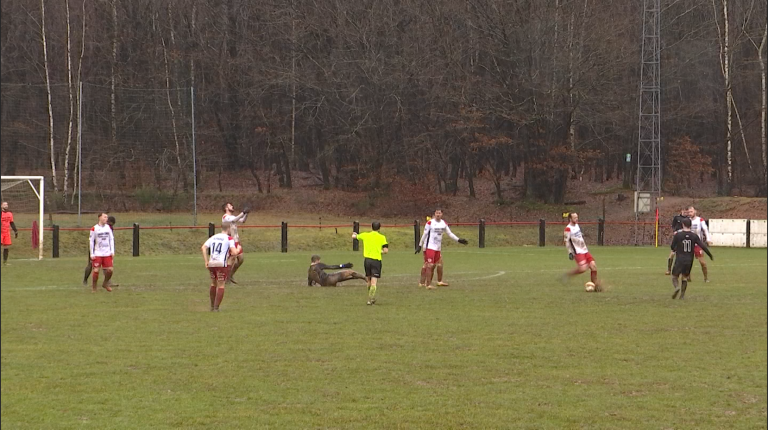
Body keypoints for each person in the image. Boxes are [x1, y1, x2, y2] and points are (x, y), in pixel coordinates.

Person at [416, 208, 468, 289]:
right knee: (429, 264)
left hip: (437, 248)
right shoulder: (430, 223)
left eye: (439, 213)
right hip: (429, 246)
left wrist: (458, 240)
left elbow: (449, 233)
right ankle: (427, 284)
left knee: (438, 263)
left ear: (442, 214)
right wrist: (419, 245)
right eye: (437, 213)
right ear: (434, 214)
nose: (438, 214)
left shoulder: (443, 223)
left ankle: (435, 282)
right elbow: (424, 234)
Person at [201, 222, 242, 311]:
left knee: (213, 283)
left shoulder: (214, 237)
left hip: (212, 263)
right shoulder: (229, 238)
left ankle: (212, 306)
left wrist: (206, 261)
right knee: (221, 285)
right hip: (221, 264)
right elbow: (234, 253)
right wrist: (238, 249)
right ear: (229, 229)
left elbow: (203, 247)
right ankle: (216, 308)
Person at [670, 218, 713, 299]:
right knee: (685, 277)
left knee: (674, 276)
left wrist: (676, 248)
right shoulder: (694, 236)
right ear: (690, 225)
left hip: (680, 259)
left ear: (683, 224)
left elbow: (672, 247)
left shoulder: (678, 235)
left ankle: (676, 287)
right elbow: (702, 245)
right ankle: (682, 295)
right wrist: (710, 255)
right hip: (689, 260)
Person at [563, 212, 602, 291]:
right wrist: (570, 252)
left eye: (577, 217)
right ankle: (568, 275)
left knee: (593, 266)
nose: (576, 219)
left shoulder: (577, 225)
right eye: (575, 218)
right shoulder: (568, 228)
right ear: (570, 219)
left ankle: (595, 286)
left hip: (584, 250)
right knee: (583, 269)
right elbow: (566, 241)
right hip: (577, 252)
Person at [352, 221, 388, 305]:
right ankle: (370, 299)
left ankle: (370, 297)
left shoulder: (365, 235)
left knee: (369, 280)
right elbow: (386, 251)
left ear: (371, 227)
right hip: (376, 261)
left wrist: (354, 234)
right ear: (379, 228)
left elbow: (354, 236)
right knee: (374, 282)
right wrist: (380, 251)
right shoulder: (382, 237)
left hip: (367, 260)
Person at [84, 216, 117, 286]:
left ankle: (107, 282)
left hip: (103, 249)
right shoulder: (102, 227)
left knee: (106, 267)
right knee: (91, 264)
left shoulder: (107, 227)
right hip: (96, 248)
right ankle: (86, 279)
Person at [222, 202, 250, 284]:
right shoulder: (225, 217)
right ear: (226, 208)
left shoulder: (232, 217)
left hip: (236, 241)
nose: (232, 206)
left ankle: (230, 275)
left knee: (241, 260)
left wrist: (246, 214)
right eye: (230, 206)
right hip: (230, 241)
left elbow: (242, 220)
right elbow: (234, 220)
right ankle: (226, 278)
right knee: (232, 259)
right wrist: (243, 212)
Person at [687, 206, 712, 283]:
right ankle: (688, 277)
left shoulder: (700, 220)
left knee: (702, 263)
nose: (690, 213)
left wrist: (708, 239)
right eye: (689, 212)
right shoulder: (687, 221)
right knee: (687, 262)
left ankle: (706, 278)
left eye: (691, 211)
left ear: (695, 211)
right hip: (689, 244)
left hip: (697, 244)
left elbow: (705, 229)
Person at [666, 207, 690, 275]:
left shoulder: (688, 219)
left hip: (684, 238)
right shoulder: (677, 217)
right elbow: (673, 226)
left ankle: (685, 271)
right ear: (682, 211)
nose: (686, 213)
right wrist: (674, 231)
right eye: (685, 212)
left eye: (687, 212)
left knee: (684, 255)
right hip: (677, 238)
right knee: (672, 254)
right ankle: (669, 269)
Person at [1, 201, 18, 265]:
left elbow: (11, 222)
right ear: (1, 206)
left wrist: (15, 231)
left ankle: (5, 262)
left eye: (7, 204)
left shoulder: (9, 213)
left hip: (6, 232)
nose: (6, 206)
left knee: (6, 247)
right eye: (4, 204)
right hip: (1, 232)